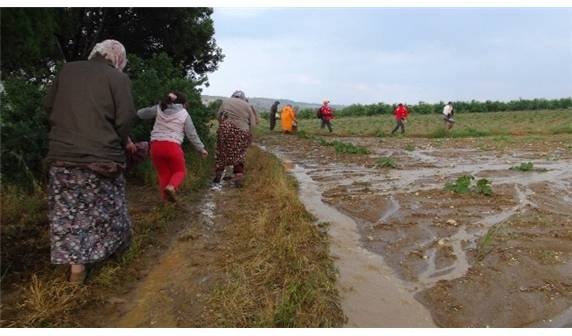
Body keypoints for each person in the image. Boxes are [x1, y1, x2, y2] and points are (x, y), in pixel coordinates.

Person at [44, 39, 137, 283]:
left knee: (69, 215)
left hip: (62, 158)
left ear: (95, 52)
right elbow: (125, 119)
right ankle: (115, 252)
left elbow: (48, 107)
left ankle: (77, 271)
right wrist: (120, 141)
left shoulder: (67, 70)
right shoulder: (118, 79)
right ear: (118, 59)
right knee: (110, 209)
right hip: (102, 159)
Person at [137, 91, 208, 202]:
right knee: (180, 171)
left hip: (155, 146)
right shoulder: (184, 114)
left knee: (163, 174)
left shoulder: (160, 108)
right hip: (172, 146)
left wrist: (152, 108)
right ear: (183, 103)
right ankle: (171, 187)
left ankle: (166, 203)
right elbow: (191, 133)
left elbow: (141, 114)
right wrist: (201, 148)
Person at [213, 90, 257, 187]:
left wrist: (222, 125)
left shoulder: (226, 101)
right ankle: (238, 175)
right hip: (241, 130)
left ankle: (219, 172)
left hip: (225, 127)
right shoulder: (247, 105)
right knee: (239, 153)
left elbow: (218, 116)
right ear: (243, 98)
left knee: (221, 151)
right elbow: (253, 124)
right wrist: (250, 135)